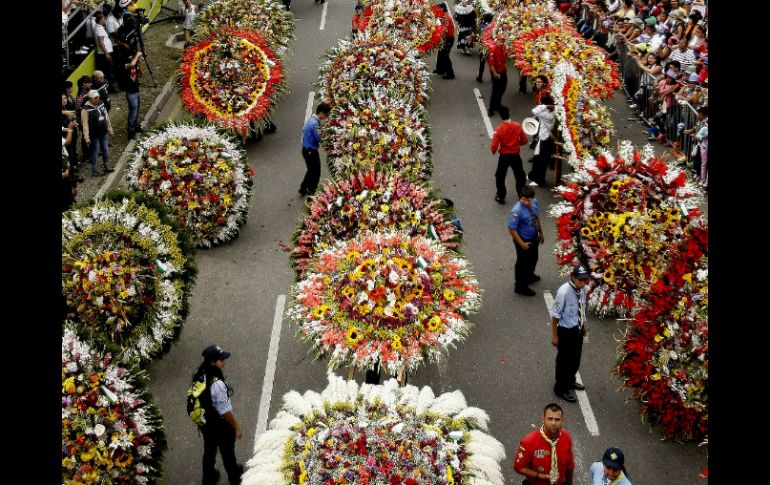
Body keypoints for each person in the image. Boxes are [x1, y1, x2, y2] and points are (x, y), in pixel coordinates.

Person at [195, 345, 243, 485]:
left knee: (209, 452)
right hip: (219, 424)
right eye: (220, 360)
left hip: (205, 422)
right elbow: (225, 411)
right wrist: (236, 427)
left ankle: (208, 478)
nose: (224, 362)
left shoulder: (199, 373)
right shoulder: (217, 384)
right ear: (212, 362)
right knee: (227, 453)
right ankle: (234, 477)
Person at [550, 265, 591, 403]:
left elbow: (582, 308)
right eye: (580, 280)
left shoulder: (582, 289)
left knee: (575, 359)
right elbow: (555, 316)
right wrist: (555, 336)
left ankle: (570, 380)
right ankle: (560, 388)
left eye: (585, 279)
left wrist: (583, 327)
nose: (583, 282)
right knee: (563, 361)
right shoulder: (564, 292)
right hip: (565, 331)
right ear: (572, 278)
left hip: (577, 330)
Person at [513, 403, 575, 485]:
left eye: (557, 419)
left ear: (562, 421)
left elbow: (569, 467)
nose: (553, 423)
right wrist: (540, 476)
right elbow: (518, 467)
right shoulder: (529, 442)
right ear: (543, 419)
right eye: (550, 419)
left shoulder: (566, 437)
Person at [507, 186, 543, 297]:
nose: (526, 202)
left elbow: (536, 218)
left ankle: (529, 276)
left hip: (533, 237)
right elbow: (512, 229)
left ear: (532, 198)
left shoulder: (534, 203)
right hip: (523, 240)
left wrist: (541, 233)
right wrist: (522, 244)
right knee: (522, 263)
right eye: (523, 199)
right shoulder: (516, 211)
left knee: (533, 258)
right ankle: (520, 286)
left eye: (528, 200)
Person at [490, 107, 528, 204]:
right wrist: (516, 144)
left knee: (500, 176)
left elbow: (494, 147)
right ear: (509, 114)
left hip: (504, 157)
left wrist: (495, 150)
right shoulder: (517, 126)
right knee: (520, 176)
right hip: (515, 155)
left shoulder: (499, 129)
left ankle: (501, 195)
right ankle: (521, 195)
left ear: (501, 116)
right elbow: (524, 140)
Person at [299, 102, 331, 197]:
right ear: (321, 113)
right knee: (316, 172)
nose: (326, 117)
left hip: (306, 149)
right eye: (326, 114)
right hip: (311, 151)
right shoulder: (315, 124)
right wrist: (325, 130)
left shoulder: (311, 120)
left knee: (310, 170)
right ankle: (312, 191)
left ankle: (303, 188)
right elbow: (319, 138)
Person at [81, 90, 114, 176]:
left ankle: (106, 166)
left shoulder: (101, 103)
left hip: (103, 132)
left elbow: (106, 116)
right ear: (90, 99)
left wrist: (110, 128)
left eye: (98, 97)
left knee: (105, 149)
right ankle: (94, 170)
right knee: (95, 152)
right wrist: (86, 137)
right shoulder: (85, 110)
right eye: (95, 98)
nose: (98, 99)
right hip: (94, 134)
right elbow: (85, 125)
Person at [528, 94, 556, 188]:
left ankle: (540, 180)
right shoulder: (554, 113)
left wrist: (545, 106)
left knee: (541, 161)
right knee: (537, 159)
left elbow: (534, 110)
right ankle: (533, 176)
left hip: (545, 140)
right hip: (545, 139)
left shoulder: (545, 114)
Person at [118, 50, 143, 139]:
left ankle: (136, 126)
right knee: (133, 112)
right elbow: (131, 64)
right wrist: (138, 55)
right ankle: (131, 131)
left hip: (136, 91)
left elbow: (141, 74)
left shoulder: (135, 65)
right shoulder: (124, 65)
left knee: (137, 110)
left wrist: (139, 65)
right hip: (130, 93)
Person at [487, 33, 508, 117]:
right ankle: (491, 109)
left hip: (503, 71)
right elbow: (491, 64)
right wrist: (495, 74)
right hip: (496, 72)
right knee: (495, 91)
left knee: (503, 88)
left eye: (503, 41)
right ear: (497, 41)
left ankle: (497, 104)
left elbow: (505, 57)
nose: (501, 43)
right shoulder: (493, 50)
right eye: (500, 41)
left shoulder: (503, 48)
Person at [93, 13, 115, 89]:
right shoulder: (99, 29)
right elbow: (101, 42)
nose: (105, 20)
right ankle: (109, 87)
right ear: (100, 20)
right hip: (104, 54)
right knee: (108, 71)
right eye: (103, 19)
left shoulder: (100, 28)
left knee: (108, 70)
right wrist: (106, 53)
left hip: (104, 53)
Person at [434, 3, 455, 79]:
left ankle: (450, 73)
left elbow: (444, 30)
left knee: (445, 55)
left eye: (438, 8)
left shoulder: (446, 17)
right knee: (440, 53)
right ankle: (440, 69)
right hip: (445, 38)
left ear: (442, 8)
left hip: (448, 38)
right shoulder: (443, 16)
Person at [476, 11, 494, 83]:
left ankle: (480, 77)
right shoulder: (493, 26)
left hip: (483, 46)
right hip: (491, 46)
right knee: (491, 62)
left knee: (482, 62)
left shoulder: (482, 25)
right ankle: (493, 77)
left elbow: (478, 31)